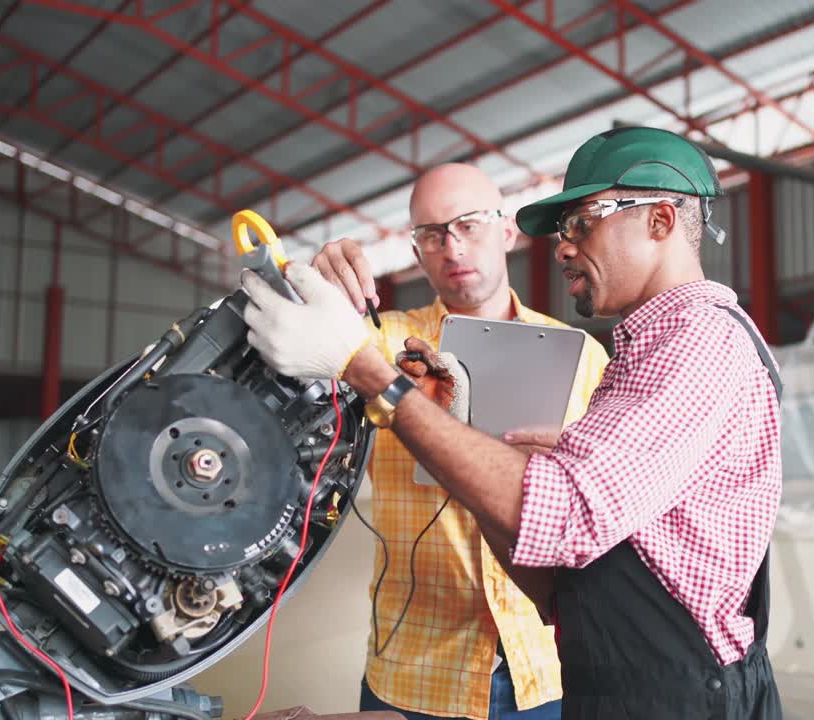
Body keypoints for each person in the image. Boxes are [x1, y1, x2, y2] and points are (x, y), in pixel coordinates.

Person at [242, 126, 784, 719]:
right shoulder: (637, 352)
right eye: (430, 234)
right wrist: (322, 289)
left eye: (582, 223)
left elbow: (565, 516)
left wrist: (380, 381)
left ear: (658, 221)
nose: (563, 248)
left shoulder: (690, 344)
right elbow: (560, 572)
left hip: (642, 687)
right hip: (510, 667)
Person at [300, 162, 610, 720]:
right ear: (417, 253)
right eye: (431, 234)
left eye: (468, 225)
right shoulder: (377, 340)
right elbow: (297, 370)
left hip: (545, 668)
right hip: (416, 671)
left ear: (507, 231)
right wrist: (316, 292)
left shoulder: (582, 355)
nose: (452, 246)